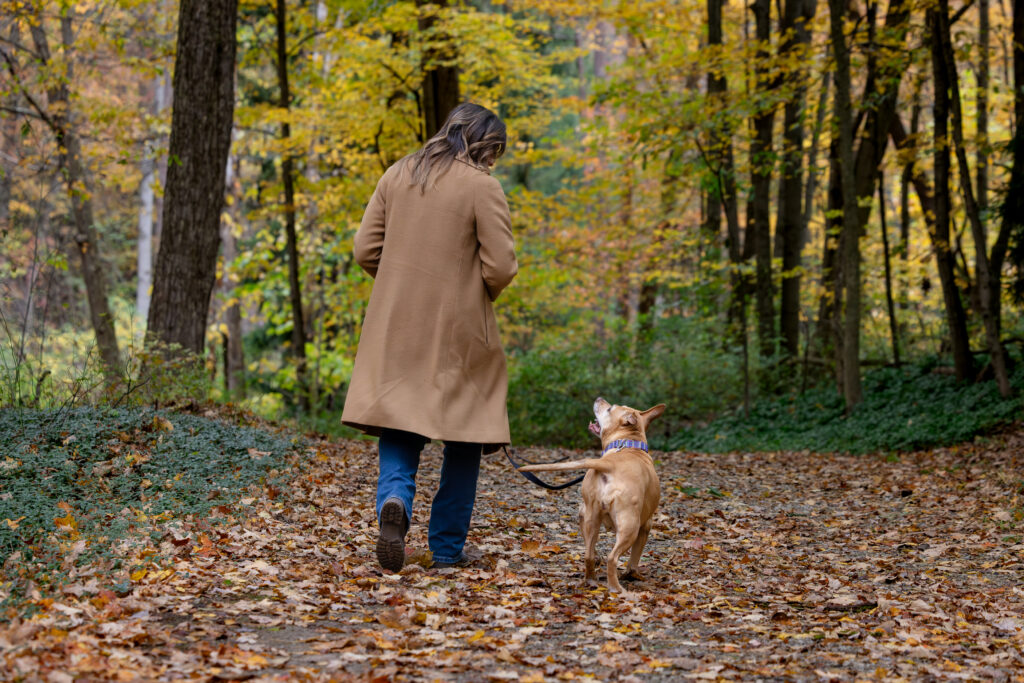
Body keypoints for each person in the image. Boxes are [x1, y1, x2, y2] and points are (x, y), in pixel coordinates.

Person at [341, 103, 518, 572]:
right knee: (466, 434)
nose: (493, 161)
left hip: (395, 322)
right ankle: (444, 550)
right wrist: (474, 292)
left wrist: (400, 280)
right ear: (483, 143)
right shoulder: (483, 187)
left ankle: (393, 501)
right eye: (493, 150)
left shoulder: (398, 174)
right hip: (458, 329)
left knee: (400, 421)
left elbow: (365, 249)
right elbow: (500, 266)